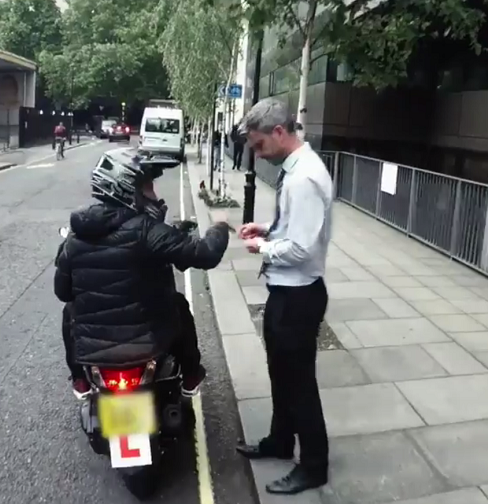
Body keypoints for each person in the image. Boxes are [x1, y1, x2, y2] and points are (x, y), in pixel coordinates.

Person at [54, 149, 230, 399]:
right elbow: (205, 253)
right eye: (148, 187)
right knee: (178, 304)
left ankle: (80, 379)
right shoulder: (147, 230)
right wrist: (220, 225)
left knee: (69, 311)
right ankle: (190, 376)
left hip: (94, 350)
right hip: (149, 343)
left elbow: (62, 292)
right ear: (128, 191)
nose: (155, 195)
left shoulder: (74, 237)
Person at [234, 99, 333, 495]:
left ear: (279, 132)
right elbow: (295, 230)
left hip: (298, 297)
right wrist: (268, 230)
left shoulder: (303, 178)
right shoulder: (296, 171)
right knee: (281, 375)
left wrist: (264, 249)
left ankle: (313, 465)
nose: (257, 154)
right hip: (287, 294)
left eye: (259, 146)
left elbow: (303, 249)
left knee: (299, 386)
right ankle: (279, 441)